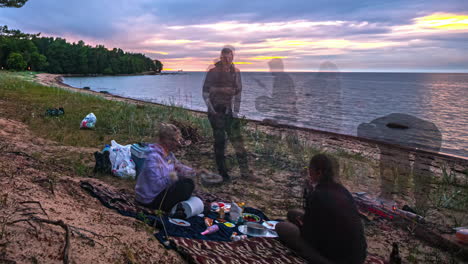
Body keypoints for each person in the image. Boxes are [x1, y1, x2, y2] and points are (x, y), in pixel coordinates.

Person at [275, 154, 367, 264]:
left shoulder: (316, 195)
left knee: (281, 227)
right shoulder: (343, 190)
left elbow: (308, 236)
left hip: (334, 258)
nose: (309, 174)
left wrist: (301, 223)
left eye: (310, 171)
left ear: (319, 173)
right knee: (293, 213)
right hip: (358, 257)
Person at [202, 46, 255, 182]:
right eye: (224, 57)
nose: (226, 59)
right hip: (215, 112)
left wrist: (236, 111)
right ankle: (223, 175)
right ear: (220, 57)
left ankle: (245, 173)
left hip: (229, 112)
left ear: (232, 57)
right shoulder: (212, 72)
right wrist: (211, 110)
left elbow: (238, 93)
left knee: (238, 142)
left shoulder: (236, 72)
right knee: (220, 144)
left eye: (229, 57)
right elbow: (205, 92)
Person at [135, 123, 196, 212]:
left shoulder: (168, 155)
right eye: (175, 140)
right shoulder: (153, 157)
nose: (178, 144)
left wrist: (192, 172)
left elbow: (177, 166)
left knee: (188, 183)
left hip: (160, 192)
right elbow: (156, 185)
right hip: (149, 199)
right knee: (185, 185)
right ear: (165, 140)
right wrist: (174, 176)